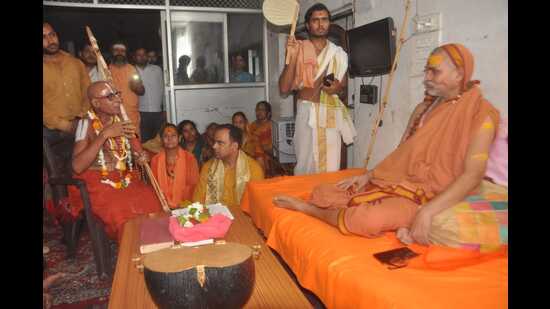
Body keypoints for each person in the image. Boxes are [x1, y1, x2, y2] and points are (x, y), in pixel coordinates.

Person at [273, 43, 501, 247]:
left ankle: (307, 210)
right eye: (426, 70)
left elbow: (473, 175)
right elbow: (402, 154)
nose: (426, 77)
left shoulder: (483, 115)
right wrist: (369, 175)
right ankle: (379, 214)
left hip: (428, 195)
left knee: (365, 220)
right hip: (401, 183)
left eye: (435, 71)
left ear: (459, 74)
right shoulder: (424, 109)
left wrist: (428, 211)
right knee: (325, 192)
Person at [69, 81, 162, 241]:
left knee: (151, 199)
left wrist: (139, 158)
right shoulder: (85, 123)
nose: (118, 100)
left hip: (125, 178)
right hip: (97, 184)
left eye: (117, 94)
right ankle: (131, 252)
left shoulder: (120, 121)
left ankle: (154, 247)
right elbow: (77, 167)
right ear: (96, 103)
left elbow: (126, 153)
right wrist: (104, 135)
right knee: (122, 210)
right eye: (110, 97)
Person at [278, 3, 356, 175]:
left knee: (330, 169)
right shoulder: (299, 49)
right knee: (305, 167)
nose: (321, 24)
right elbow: (284, 88)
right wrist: (291, 57)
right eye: (316, 20)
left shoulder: (339, 54)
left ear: (329, 22)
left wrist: (336, 89)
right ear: (308, 25)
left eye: (325, 20)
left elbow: (342, 89)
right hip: (307, 114)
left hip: (330, 115)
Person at [43, 22, 91, 209]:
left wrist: (82, 117)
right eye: (44, 37)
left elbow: (88, 92)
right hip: (50, 132)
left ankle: (82, 212)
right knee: (56, 178)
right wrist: (64, 125)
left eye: (52, 34)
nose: (50, 40)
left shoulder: (75, 63)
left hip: (79, 126)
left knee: (80, 172)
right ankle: (62, 219)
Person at [193, 124, 264, 207]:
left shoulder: (253, 169)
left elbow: (257, 204)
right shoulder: (208, 167)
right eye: (214, 142)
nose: (214, 146)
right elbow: (197, 201)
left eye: (220, 143)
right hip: (214, 217)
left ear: (234, 146)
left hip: (242, 218)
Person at [151, 124, 200, 208]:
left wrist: (184, 206)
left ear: (179, 138)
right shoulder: (155, 160)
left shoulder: (190, 159)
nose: (169, 139)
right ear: (161, 140)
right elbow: (154, 187)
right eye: (166, 136)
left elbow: (194, 186)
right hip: (162, 206)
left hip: (185, 206)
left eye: (173, 136)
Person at [108, 42, 145, 139]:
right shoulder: (105, 69)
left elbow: (141, 91)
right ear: (112, 52)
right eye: (116, 50)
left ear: (126, 53)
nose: (119, 53)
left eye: (122, 51)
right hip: (112, 116)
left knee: (135, 145)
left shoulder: (132, 69)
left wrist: (137, 87)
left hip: (131, 115)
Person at [134, 47, 166, 142]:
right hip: (140, 112)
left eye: (144, 55)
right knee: (143, 141)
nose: (142, 57)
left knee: (159, 141)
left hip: (157, 112)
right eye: (139, 55)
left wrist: (165, 109)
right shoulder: (131, 70)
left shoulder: (157, 70)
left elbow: (163, 89)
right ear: (134, 57)